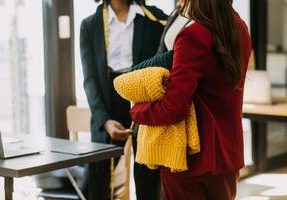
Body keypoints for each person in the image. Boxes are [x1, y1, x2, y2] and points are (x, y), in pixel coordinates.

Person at [129, 0, 252, 199]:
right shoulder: (240, 28)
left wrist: (135, 110)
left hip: (190, 158)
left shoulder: (192, 34)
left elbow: (173, 108)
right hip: (229, 154)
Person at [79, 0, 167, 199]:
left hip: (144, 98)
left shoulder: (154, 17)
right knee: (99, 179)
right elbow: (90, 80)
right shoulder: (90, 25)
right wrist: (105, 120)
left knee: (148, 175)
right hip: (108, 103)